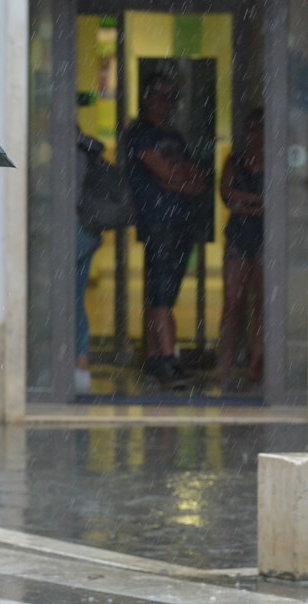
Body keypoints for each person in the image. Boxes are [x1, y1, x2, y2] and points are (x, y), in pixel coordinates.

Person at [125, 73, 207, 387]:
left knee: (166, 294)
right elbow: (161, 169)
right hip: (158, 222)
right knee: (161, 296)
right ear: (146, 98)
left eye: (170, 97)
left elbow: (196, 178)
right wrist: (177, 177)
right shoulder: (139, 133)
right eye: (159, 95)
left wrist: (175, 179)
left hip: (181, 221)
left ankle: (157, 359)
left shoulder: (174, 135)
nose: (165, 102)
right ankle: (169, 361)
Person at [217, 108, 265, 389]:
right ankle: (225, 363)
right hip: (240, 236)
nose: (254, 135)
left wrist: (244, 202)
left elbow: (275, 198)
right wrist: (255, 202)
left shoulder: (274, 161)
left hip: (264, 236)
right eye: (250, 129)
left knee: (262, 303)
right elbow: (226, 193)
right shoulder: (236, 160)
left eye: (259, 129)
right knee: (233, 303)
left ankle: (255, 364)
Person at [74, 128, 106, 395]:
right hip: (87, 232)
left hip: (72, 233)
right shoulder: (88, 152)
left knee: (69, 300)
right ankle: (80, 363)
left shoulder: (70, 155)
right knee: (75, 297)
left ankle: (77, 364)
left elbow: (66, 197)